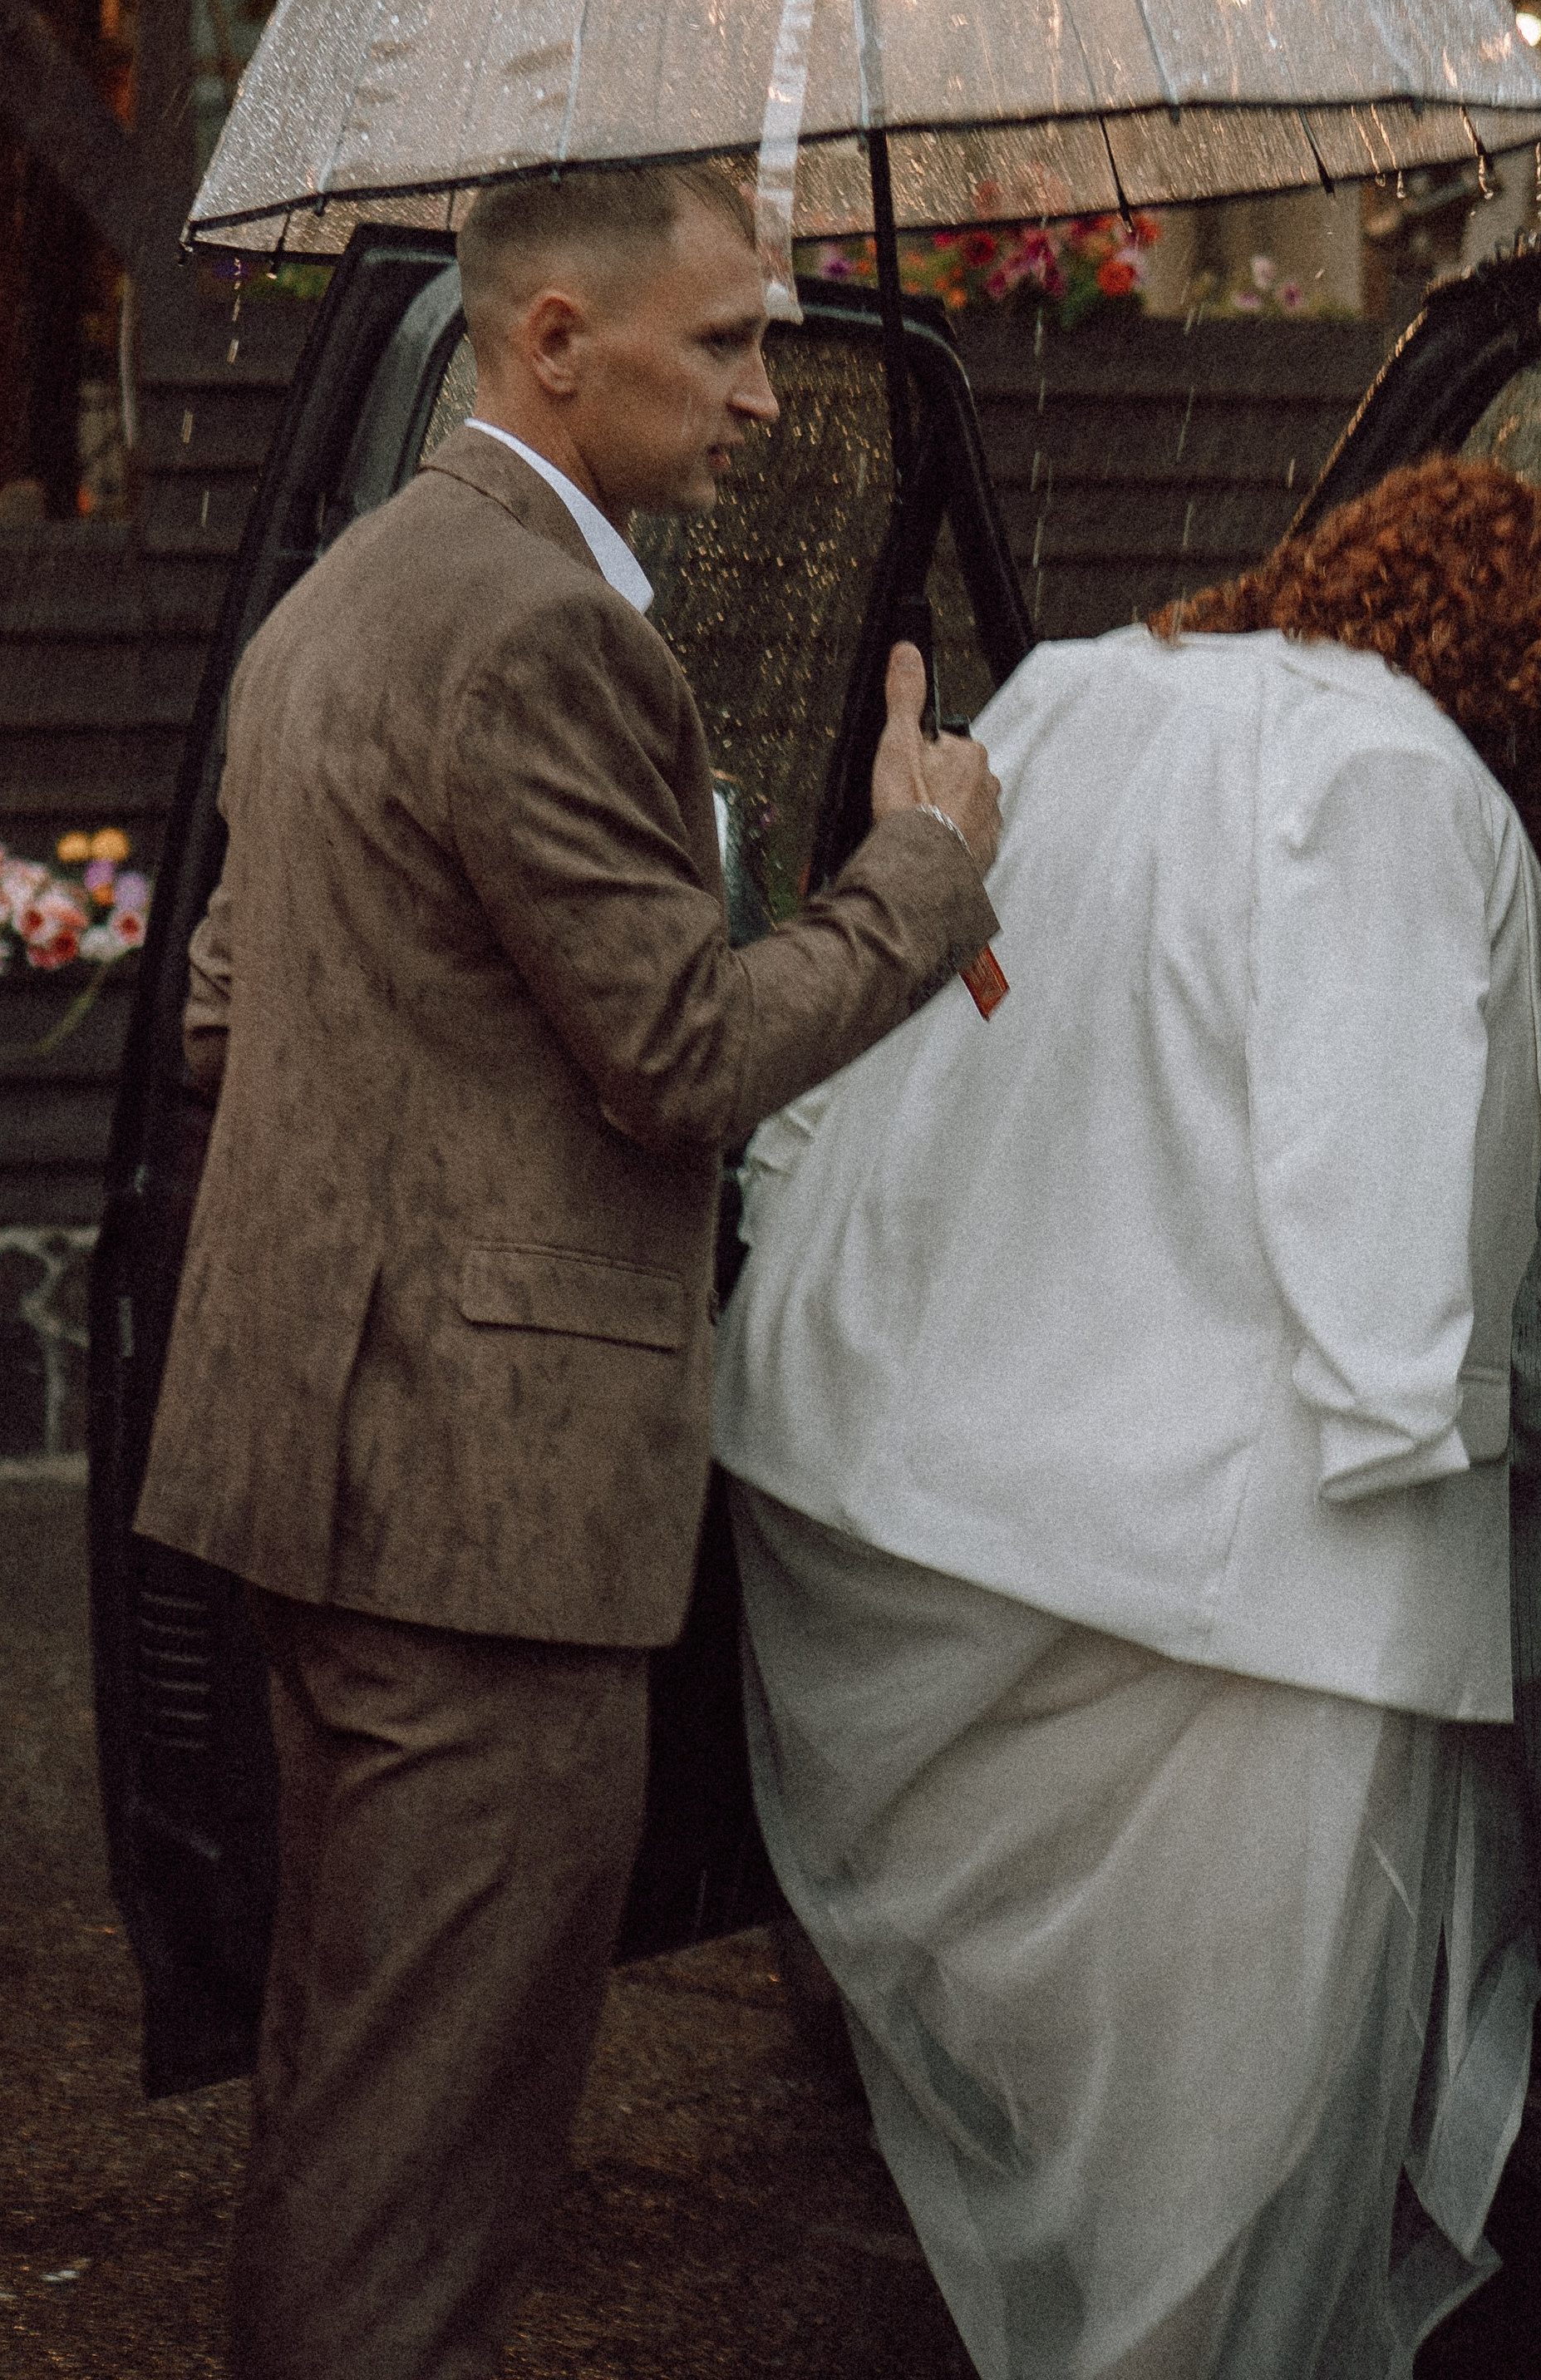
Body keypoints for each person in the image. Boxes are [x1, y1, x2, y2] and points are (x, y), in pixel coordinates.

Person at [135, 159, 1003, 2380]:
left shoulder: (345, 597)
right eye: (723, 341)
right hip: (483, 1516)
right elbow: (681, 1052)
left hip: (333, 1472)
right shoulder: (538, 629)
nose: (771, 401)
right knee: (430, 2157)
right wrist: (918, 877)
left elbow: (245, 1008)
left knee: (358, 2086)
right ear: (550, 340)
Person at [712, 455, 1541, 2380]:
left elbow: (937, 1026)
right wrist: (1458, 1421)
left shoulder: (1071, 687)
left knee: (1066, 2089)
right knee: (1228, 2140)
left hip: (926, 1495)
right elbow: (1363, 1173)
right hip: (1226, 1593)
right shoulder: (1402, 782)